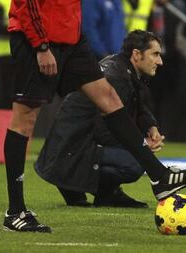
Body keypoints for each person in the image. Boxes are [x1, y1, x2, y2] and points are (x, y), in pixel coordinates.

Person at [3, 0, 186, 233]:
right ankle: (15, 212)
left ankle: (160, 177)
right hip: (38, 41)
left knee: (108, 97)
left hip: (71, 38)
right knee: (25, 119)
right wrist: (41, 46)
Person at [35, 30, 168, 208]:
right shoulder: (117, 78)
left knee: (135, 152)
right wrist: (140, 144)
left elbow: (138, 105)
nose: (160, 61)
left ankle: (96, 191)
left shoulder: (121, 68)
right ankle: (103, 192)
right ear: (136, 54)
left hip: (69, 147)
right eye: (155, 54)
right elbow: (104, 130)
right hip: (70, 153)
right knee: (136, 162)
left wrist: (151, 126)